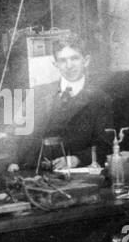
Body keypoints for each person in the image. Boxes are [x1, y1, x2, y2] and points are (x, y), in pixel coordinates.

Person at [23, 35, 113, 170]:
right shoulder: (38, 94)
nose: (69, 65)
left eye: (74, 58)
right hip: (38, 173)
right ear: (55, 64)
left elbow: (106, 145)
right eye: (63, 60)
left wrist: (78, 159)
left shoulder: (101, 99)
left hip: (78, 174)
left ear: (86, 61)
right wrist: (15, 162)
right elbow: (22, 137)